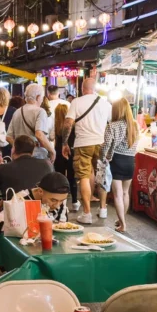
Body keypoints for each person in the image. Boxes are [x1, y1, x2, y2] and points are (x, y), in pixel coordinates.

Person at [0, 135, 55, 284]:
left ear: (14, 149)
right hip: (42, 220)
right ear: (33, 150)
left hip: (14, 223)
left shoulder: (4, 168)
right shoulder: (47, 165)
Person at [62, 68, 112, 225]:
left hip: (83, 144)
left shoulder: (76, 102)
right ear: (95, 89)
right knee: (102, 174)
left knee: (84, 176)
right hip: (101, 143)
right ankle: (103, 209)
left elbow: (68, 124)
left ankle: (87, 213)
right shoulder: (106, 104)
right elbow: (110, 124)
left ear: (83, 89)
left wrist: (64, 142)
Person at [101, 97, 139, 233]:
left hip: (117, 160)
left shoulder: (112, 125)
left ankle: (122, 224)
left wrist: (102, 158)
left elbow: (106, 146)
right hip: (130, 161)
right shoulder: (135, 125)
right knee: (125, 193)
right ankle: (122, 219)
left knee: (117, 194)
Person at [8, 83, 54, 161]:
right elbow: (39, 134)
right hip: (36, 154)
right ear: (38, 97)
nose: (42, 100)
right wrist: (52, 151)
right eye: (42, 98)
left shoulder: (17, 112)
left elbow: (8, 137)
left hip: (19, 156)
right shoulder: (40, 111)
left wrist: (20, 147)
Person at [52, 102, 79, 210]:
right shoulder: (73, 125)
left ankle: (61, 202)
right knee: (72, 177)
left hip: (59, 152)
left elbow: (51, 136)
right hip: (71, 151)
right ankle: (75, 201)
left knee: (60, 177)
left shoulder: (56, 125)